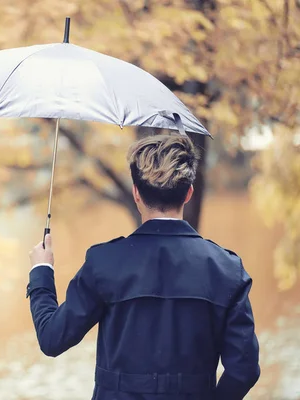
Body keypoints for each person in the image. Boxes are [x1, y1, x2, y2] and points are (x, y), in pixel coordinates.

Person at [26, 134, 260, 400]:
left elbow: (52, 338)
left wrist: (42, 272)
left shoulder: (105, 263)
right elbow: (244, 370)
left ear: (136, 194)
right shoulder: (227, 270)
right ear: (189, 193)